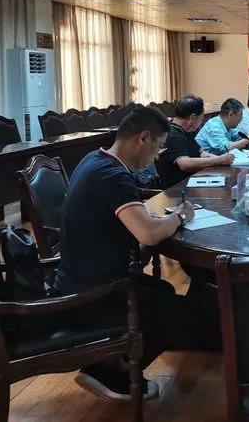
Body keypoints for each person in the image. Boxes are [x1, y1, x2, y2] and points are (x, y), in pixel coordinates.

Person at [54, 106, 216, 401]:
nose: (157, 157)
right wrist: (181, 216)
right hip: (95, 291)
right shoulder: (112, 175)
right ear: (143, 138)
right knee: (178, 312)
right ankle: (113, 372)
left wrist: (160, 219)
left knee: (164, 291)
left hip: (78, 276)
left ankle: (112, 362)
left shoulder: (95, 160)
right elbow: (148, 234)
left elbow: (134, 219)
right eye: (158, 147)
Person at [157, 95, 242, 188]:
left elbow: (201, 153)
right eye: (201, 119)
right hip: (176, 188)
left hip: (192, 181)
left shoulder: (185, 131)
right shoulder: (173, 134)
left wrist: (223, 159)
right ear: (193, 118)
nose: (201, 122)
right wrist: (219, 160)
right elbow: (185, 164)